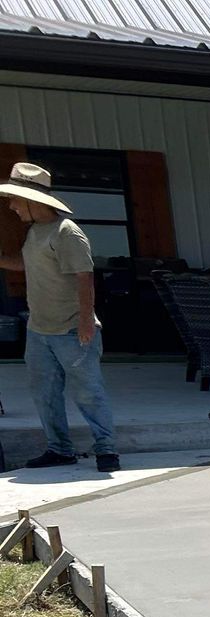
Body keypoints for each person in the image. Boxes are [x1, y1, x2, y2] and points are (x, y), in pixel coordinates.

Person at [0, 161, 119, 473]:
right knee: (44, 393)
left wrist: (84, 321)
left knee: (88, 392)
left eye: (14, 199)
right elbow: (29, 265)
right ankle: (59, 449)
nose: (11, 206)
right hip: (39, 329)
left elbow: (84, 277)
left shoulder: (67, 232)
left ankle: (106, 448)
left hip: (71, 329)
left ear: (31, 199)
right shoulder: (35, 232)